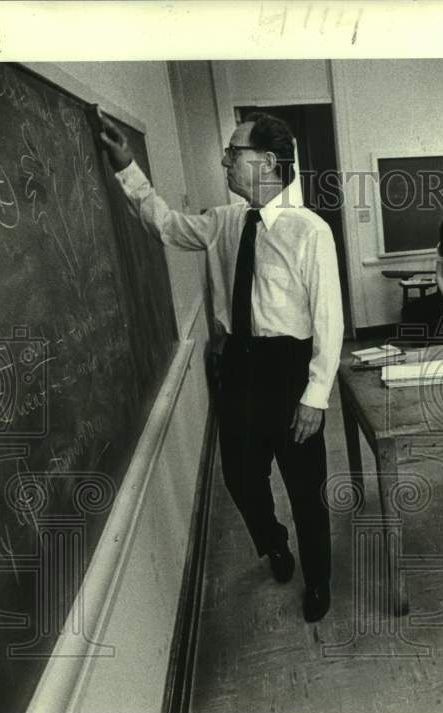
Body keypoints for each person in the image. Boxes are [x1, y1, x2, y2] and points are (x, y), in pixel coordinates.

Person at [99, 111, 343, 623]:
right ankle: (274, 543)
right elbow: (164, 224)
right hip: (239, 368)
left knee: (304, 486)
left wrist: (315, 396)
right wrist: (127, 168)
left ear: (270, 163)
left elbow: (329, 320)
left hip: (289, 369)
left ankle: (318, 578)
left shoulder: (310, 231)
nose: (226, 161)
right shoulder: (222, 222)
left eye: (235, 153)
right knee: (239, 476)